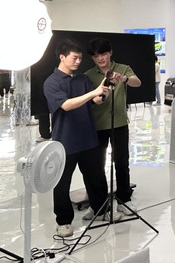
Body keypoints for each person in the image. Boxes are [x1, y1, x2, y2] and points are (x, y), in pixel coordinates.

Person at [43, 38, 121, 238]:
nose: (78, 61)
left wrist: (104, 91)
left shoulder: (82, 80)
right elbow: (66, 105)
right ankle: (63, 222)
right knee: (62, 183)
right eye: (74, 58)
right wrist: (93, 92)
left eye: (80, 58)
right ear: (62, 57)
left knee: (96, 177)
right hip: (65, 141)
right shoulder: (52, 82)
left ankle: (100, 210)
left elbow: (95, 100)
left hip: (88, 138)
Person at [85, 38, 141, 216]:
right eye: (96, 56)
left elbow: (137, 82)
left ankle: (124, 200)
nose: (100, 58)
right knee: (97, 166)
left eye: (103, 54)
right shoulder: (88, 75)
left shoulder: (123, 68)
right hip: (97, 125)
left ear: (110, 53)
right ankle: (99, 205)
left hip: (119, 123)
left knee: (122, 163)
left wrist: (124, 79)